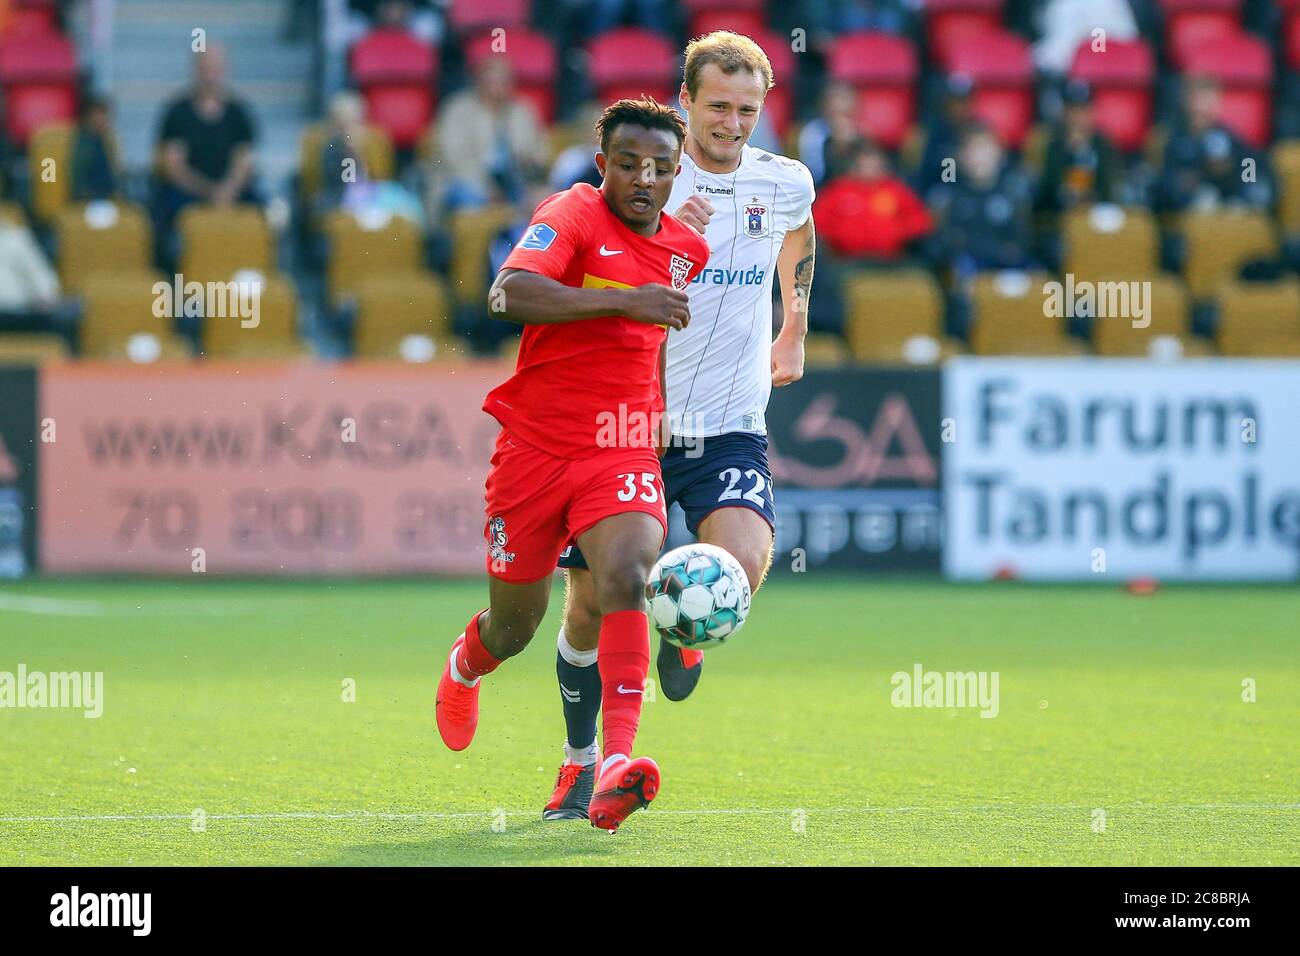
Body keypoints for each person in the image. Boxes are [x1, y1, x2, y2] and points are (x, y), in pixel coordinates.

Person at [545, 31, 816, 822]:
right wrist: (661, 244)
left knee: (741, 565)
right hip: (630, 419)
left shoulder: (785, 180)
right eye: (718, 106)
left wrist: (793, 322)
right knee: (591, 605)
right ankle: (578, 762)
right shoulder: (648, 181)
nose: (732, 123)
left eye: (748, 109)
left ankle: (683, 633)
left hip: (728, 418)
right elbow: (591, 280)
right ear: (686, 102)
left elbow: (800, 234)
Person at [434, 98, 710, 834]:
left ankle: (613, 764)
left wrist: (659, 432)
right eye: (628, 164)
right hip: (534, 448)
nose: (643, 179)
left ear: (676, 172)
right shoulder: (576, 214)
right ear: (603, 167)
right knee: (515, 628)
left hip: (619, 443)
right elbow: (507, 293)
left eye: (659, 167)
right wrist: (625, 302)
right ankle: (466, 663)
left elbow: (653, 347)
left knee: (626, 578)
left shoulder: (688, 250)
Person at [153, 45, 258, 230]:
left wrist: (227, 191)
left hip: (231, 191)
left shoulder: (238, 112)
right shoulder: (177, 112)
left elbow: (244, 161)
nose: (210, 74)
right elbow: (174, 168)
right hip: (188, 193)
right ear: (195, 69)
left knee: (261, 214)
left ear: (225, 69)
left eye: (215, 67)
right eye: (205, 67)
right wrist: (210, 192)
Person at [432, 56, 546, 213]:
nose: (497, 87)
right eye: (491, 81)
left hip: (514, 183)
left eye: (503, 81)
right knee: (470, 197)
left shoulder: (522, 111)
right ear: (478, 82)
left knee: (546, 201)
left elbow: (539, 152)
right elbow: (454, 160)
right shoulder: (457, 110)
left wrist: (530, 161)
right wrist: (486, 189)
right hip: (468, 182)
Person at [1158, 76, 1273, 212]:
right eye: (1197, 100)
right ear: (1185, 102)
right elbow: (1165, 183)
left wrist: (1233, 172)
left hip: (1229, 204)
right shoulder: (1173, 139)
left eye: (1209, 102)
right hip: (1188, 210)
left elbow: (1251, 164)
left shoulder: (1228, 136)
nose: (1201, 109)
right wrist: (1194, 177)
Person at [815, 138, 932, 259]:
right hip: (846, 262)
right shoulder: (838, 191)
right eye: (866, 163)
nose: (872, 167)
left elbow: (920, 221)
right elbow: (818, 225)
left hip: (893, 261)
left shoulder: (897, 191)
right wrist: (842, 236)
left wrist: (897, 232)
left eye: (875, 162)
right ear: (855, 165)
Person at [1036, 80, 1119, 216]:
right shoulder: (1050, 145)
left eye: (1083, 111)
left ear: (1093, 112)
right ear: (1063, 113)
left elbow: (1110, 190)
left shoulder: (1104, 146)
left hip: (1096, 218)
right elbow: (1044, 194)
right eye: (1072, 111)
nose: (1078, 118)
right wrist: (1070, 153)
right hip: (1057, 219)